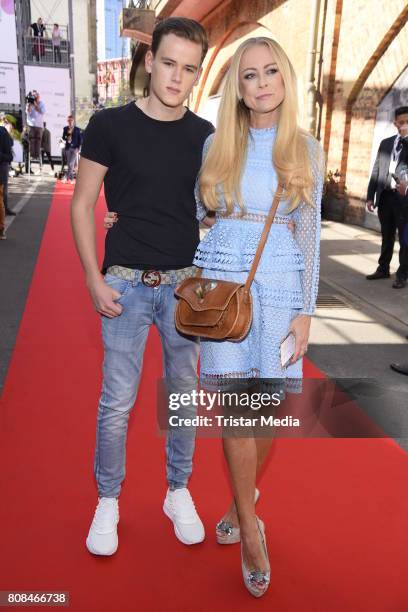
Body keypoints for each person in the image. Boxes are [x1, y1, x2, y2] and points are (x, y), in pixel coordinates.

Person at [71, 18, 213, 557]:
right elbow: (83, 205)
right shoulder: (109, 125)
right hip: (125, 287)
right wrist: (92, 276)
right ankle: (108, 499)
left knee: (182, 400)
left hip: (185, 290)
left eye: (189, 68)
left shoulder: (206, 136)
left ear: (198, 74)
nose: (177, 77)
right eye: (169, 63)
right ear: (150, 61)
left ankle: (178, 491)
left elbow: (210, 212)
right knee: (118, 402)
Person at [194, 37, 323, 597]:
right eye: (249, 75)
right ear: (238, 89)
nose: (262, 82)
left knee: (265, 411)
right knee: (237, 414)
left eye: (271, 71)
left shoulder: (306, 149)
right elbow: (199, 214)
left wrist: (306, 311)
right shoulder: (217, 145)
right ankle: (251, 529)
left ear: (285, 79)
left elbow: (310, 237)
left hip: (279, 284)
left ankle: (239, 501)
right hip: (226, 284)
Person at [366, 107, 408, 289]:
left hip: (404, 199)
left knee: (404, 239)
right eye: (401, 122)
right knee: (386, 234)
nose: (404, 125)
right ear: (395, 123)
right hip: (385, 196)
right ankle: (383, 268)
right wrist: (370, 196)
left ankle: (402, 274)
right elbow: (376, 171)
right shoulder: (386, 143)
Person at [0, 120, 14, 240]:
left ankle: (1, 229)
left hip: (1, 168)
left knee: (1, 198)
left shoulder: (2, 132)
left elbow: (9, 156)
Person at [26, 91, 46, 161]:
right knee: (31, 140)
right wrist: (30, 105)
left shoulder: (42, 103)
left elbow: (42, 111)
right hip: (31, 125)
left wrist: (36, 104)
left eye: (36, 96)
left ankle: (36, 156)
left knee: (38, 141)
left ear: (38, 97)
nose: (35, 97)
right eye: (34, 96)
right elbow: (28, 112)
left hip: (39, 126)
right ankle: (32, 155)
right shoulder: (29, 103)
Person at [61, 116, 81, 183]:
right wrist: (67, 136)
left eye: (71, 120)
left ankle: (66, 178)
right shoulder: (65, 128)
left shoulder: (77, 129)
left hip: (75, 149)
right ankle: (72, 179)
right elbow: (63, 138)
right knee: (69, 164)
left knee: (71, 164)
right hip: (68, 148)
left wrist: (78, 148)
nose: (70, 122)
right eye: (68, 120)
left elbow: (80, 140)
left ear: (73, 121)